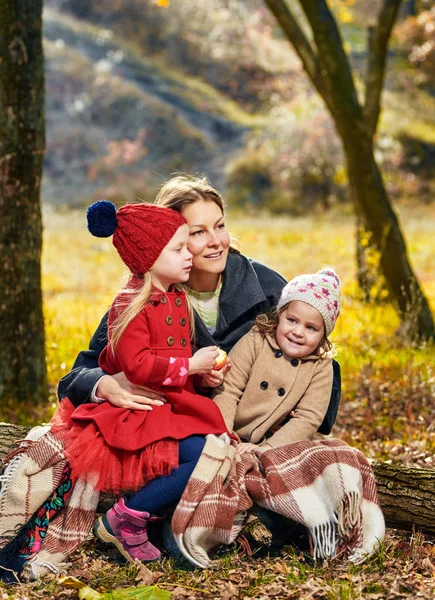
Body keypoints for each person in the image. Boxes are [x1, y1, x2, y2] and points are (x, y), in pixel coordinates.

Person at [51, 199, 230, 564]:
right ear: (149, 257)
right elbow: (137, 365)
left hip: (170, 403)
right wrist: (190, 365)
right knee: (198, 455)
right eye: (179, 248)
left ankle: (145, 518)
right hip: (142, 407)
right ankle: (127, 518)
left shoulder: (176, 296)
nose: (189, 256)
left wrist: (204, 370)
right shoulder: (133, 304)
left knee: (207, 448)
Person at [57, 174, 290, 409]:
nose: (216, 241)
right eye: (197, 232)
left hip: (255, 424)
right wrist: (103, 384)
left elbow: (318, 358)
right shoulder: (140, 300)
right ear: (166, 240)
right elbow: (75, 377)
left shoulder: (267, 286)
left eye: (219, 226)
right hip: (177, 423)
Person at [212, 268, 341, 452]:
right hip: (229, 429)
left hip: (275, 443)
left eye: (311, 328)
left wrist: (268, 448)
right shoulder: (258, 339)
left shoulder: (320, 365)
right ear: (280, 315)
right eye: (292, 320)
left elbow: (308, 418)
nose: (298, 332)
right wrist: (224, 435)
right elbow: (228, 389)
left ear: (323, 335)